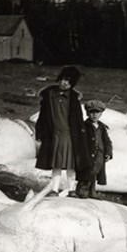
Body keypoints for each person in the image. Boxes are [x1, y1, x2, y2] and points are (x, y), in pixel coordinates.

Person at [35, 66, 90, 197]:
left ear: (73, 84)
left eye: (69, 82)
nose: (65, 83)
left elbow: (78, 119)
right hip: (54, 135)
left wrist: (81, 135)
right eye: (64, 79)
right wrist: (39, 132)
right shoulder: (49, 95)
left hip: (70, 136)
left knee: (72, 164)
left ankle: (71, 190)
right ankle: (54, 190)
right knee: (56, 164)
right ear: (59, 79)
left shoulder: (74, 98)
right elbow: (42, 116)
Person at [75, 100, 113, 199]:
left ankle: (92, 191)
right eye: (91, 112)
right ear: (87, 113)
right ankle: (82, 190)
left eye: (97, 113)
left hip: (99, 154)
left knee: (95, 172)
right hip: (87, 154)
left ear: (101, 114)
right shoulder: (83, 126)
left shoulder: (102, 127)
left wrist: (108, 152)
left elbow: (107, 141)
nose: (94, 115)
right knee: (87, 172)